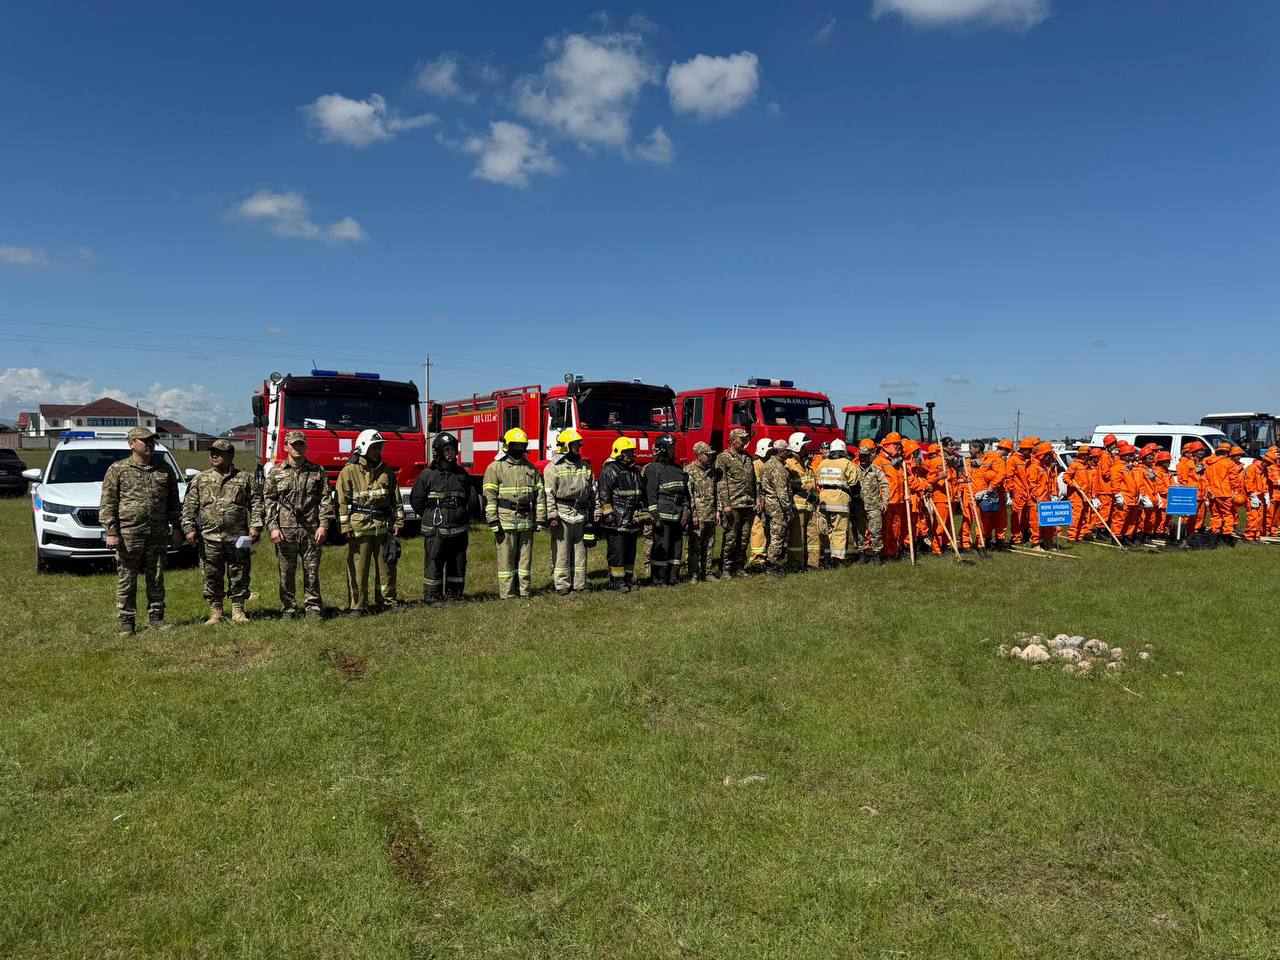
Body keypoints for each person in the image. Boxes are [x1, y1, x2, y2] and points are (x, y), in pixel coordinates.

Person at [99, 425, 182, 635]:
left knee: (156, 576)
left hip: (157, 533)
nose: (150, 445)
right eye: (145, 441)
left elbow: (173, 503)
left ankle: (157, 617)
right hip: (129, 534)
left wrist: (178, 528)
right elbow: (108, 503)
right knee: (127, 577)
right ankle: (127, 621)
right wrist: (111, 531)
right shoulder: (118, 470)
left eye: (152, 441)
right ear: (132, 444)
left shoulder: (164, 469)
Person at [182, 438, 264, 624]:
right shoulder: (201, 479)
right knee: (212, 574)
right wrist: (189, 528)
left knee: (239, 573)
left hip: (238, 538)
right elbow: (189, 507)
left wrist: (256, 525)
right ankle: (216, 611)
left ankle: (237, 610)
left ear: (231, 455)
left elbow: (256, 503)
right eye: (212, 452)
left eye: (219, 452)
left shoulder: (244, 478)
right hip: (210, 537)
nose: (214, 455)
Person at [263, 430, 333, 620]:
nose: (297, 447)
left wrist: (324, 524)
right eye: (293, 444)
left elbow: (326, 499)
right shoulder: (276, 472)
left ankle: (312, 607)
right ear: (285, 447)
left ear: (306, 446)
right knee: (286, 572)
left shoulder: (317, 471)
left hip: (311, 530)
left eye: (301, 444)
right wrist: (273, 527)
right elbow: (269, 501)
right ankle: (289, 607)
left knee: (312, 571)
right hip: (286, 531)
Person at [337, 429, 404, 615]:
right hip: (360, 527)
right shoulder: (349, 471)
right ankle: (357, 606)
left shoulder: (386, 471)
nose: (378, 451)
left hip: (382, 526)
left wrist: (398, 522)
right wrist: (345, 526)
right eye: (375, 447)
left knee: (387, 568)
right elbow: (341, 503)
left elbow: (396, 500)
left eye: (380, 447)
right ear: (364, 447)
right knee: (359, 568)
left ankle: (388, 603)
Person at [410, 431, 479, 605]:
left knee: (458, 563)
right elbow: (417, 500)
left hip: (458, 529)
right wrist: (430, 516)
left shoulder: (462, 475)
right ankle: (433, 597)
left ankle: (455, 595)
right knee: (434, 563)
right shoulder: (427, 475)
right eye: (447, 449)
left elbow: (470, 500)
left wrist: (461, 515)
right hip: (435, 530)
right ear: (439, 452)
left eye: (453, 449)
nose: (451, 453)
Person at [482, 427, 545, 599]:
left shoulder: (531, 469)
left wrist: (540, 519)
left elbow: (540, 496)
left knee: (525, 561)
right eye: (515, 446)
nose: (518, 449)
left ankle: (524, 592)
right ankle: (507, 594)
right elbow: (490, 498)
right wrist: (493, 521)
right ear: (507, 446)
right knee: (506, 560)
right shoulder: (495, 468)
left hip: (526, 521)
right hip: (505, 521)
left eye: (521, 446)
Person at [542, 428, 594, 596]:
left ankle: (580, 584)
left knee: (580, 552)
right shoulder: (553, 468)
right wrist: (552, 515)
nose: (577, 449)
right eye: (574, 446)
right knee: (562, 552)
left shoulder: (584, 466)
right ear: (565, 446)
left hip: (581, 513)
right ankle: (562, 585)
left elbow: (592, 491)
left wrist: (594, 512)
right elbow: (549, 494)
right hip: (562, 513)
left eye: (578, 445)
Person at [596, 436, 646, 591]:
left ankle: (628, 580)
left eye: (632, 452)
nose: (632, 455)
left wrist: (642, 512)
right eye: (629, 452)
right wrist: (609, 515)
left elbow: (640, 494)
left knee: (630, 553)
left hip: (632, 519)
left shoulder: (634, 471)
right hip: (617, 521)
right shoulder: (610, 470)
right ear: (621, 453)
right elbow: (604, 495)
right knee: (617, 553)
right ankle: (617, 583)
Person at [646, 434, 690, 586]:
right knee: (662, 548)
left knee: (676, 550)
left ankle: (673, 578)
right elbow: (651, 496)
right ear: (663, 450)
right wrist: (656, 517)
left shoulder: (677, 469)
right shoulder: (653, 469)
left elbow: (685, 493)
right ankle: (659, 580)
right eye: (671, 448)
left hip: (678, 516)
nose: (674, 451)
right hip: (662, 517)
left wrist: (686, 509)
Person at [715, 428, 757, 578]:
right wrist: (725, 504)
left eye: (746, 438)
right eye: (742, 439)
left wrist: (756, 500)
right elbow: (721, 482)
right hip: (733, 505)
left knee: (744, 539)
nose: (745, 441)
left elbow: (753, 481)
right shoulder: (723, 457)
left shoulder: (747, 457)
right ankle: (725, 568)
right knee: (730, 539)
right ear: (733, 440)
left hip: (748, 504)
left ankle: (739, 567)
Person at [815, 438, 860, 564]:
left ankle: (827, 557)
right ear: (843, 450)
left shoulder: (823, 463)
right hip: (840, 498)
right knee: (839, 530)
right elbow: (853, 481)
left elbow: (818, 480)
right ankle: (838, 558)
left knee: (826, 529)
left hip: (824, 498)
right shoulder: (847, 463)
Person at [784, 432, 821, 570]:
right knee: (796, 538)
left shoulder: (806, 463)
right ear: (797, 446)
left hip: (810, 505)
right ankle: (795, 564)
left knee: (813, 536)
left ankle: (812, 564)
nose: (806, 449)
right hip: (798, 506)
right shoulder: (789, 464)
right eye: (804, 446)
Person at [684, 441, 720, 582]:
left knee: (709, 544)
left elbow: (716, 493)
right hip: (697, 515)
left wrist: (718, 512)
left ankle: (707, 572)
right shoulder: (689, 471)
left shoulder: (711, 471)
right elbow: (689, 495)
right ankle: (694, 573)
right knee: (695, 545)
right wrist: (693, 514)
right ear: (699, 455)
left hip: (710, 513)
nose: (710, 457)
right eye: (707, 455)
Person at [759, 440, 794, 576]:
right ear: (780, 452)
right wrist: (788, 510)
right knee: (777, 536)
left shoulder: (767, 464)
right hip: (777, 507)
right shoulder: (778, 468)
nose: (789, 453)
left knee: (771, 534)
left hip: (768, 504)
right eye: (787, 451)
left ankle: (769, 561)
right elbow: (782, 493)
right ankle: (771, 564)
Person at [872, 433, 906, 559]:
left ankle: (893, 552)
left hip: (898, 500)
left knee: (896, 528)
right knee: (886, 529)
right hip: (886, 501)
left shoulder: (897, 461)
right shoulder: (879, 461)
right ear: (889, 445)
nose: (898, 447)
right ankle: (885, 552)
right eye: (896, 444)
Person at [853, 439, 887, 564]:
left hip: (874, 507)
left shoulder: (876, 470)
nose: (863, 458)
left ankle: (876, 555)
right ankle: (862, 555)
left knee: (875, 532)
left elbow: (885, 485)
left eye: (865, 456)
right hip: (859, 507)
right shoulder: (854, 470)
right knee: (860, 532)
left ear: (869, 456)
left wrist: (884, 502)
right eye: (861, 456)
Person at [1027, 441, 1061, 550]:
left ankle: (1048, 541)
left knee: (1048, 523)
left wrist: (1053, 495)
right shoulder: (1033, 467)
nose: (1049, 457)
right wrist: (1037, 499)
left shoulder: (1045, 467)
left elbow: (1049, 483)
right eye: (1047, 455)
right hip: (1036, 501)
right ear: (1042, 455)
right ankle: (1035, 544)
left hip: (1046, 500)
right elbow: (1032, 485)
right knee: (1035, 524)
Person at [1061, 444, 1096, 543]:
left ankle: (1080, 536)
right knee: (1076, 517)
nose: (1086, 456)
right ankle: (1071, 537)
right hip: (1076, 496)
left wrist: (1093, 495)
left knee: (1084, 517)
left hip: (1086, 496)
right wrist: (1074, 485)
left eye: (1087, 455)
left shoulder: (1088, 466)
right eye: (1084, 455)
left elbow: (1092, 481)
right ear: (1080, 455)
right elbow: (1066, 478)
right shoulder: (1075, 465)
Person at [747, 437, 772, 570]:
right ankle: (756, 559)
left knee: (766, 531)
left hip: (768, 503)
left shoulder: (766, 463)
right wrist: (758, 502)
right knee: (758, 530)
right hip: (759, 504)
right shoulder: (756, 464)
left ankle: (764, 556)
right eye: (769, 451)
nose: (770, 453)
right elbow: (756, 486)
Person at [1006, 439, 1035, 546]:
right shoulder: (1013, 459)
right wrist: (1012, 490)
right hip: (1018, 491)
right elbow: (1009, 476)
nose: (1031, 452)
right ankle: (1016, 538)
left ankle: (1026, 534)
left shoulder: (1030, 459)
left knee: (1028, 515)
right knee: (1017, 516)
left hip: (1029, 491)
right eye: (1029, 450)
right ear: (1023, 449)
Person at [988, 439, 1014, 546]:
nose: (1008, 453)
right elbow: (1001, 476)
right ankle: (998, 541)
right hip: (995, 491)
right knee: (999, 518)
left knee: (989, 517)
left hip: (993, 491)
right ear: (1002, 449)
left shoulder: (989, 457)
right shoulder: (999, 461)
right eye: (1007, 451)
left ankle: (987, 540)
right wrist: (993, 486)